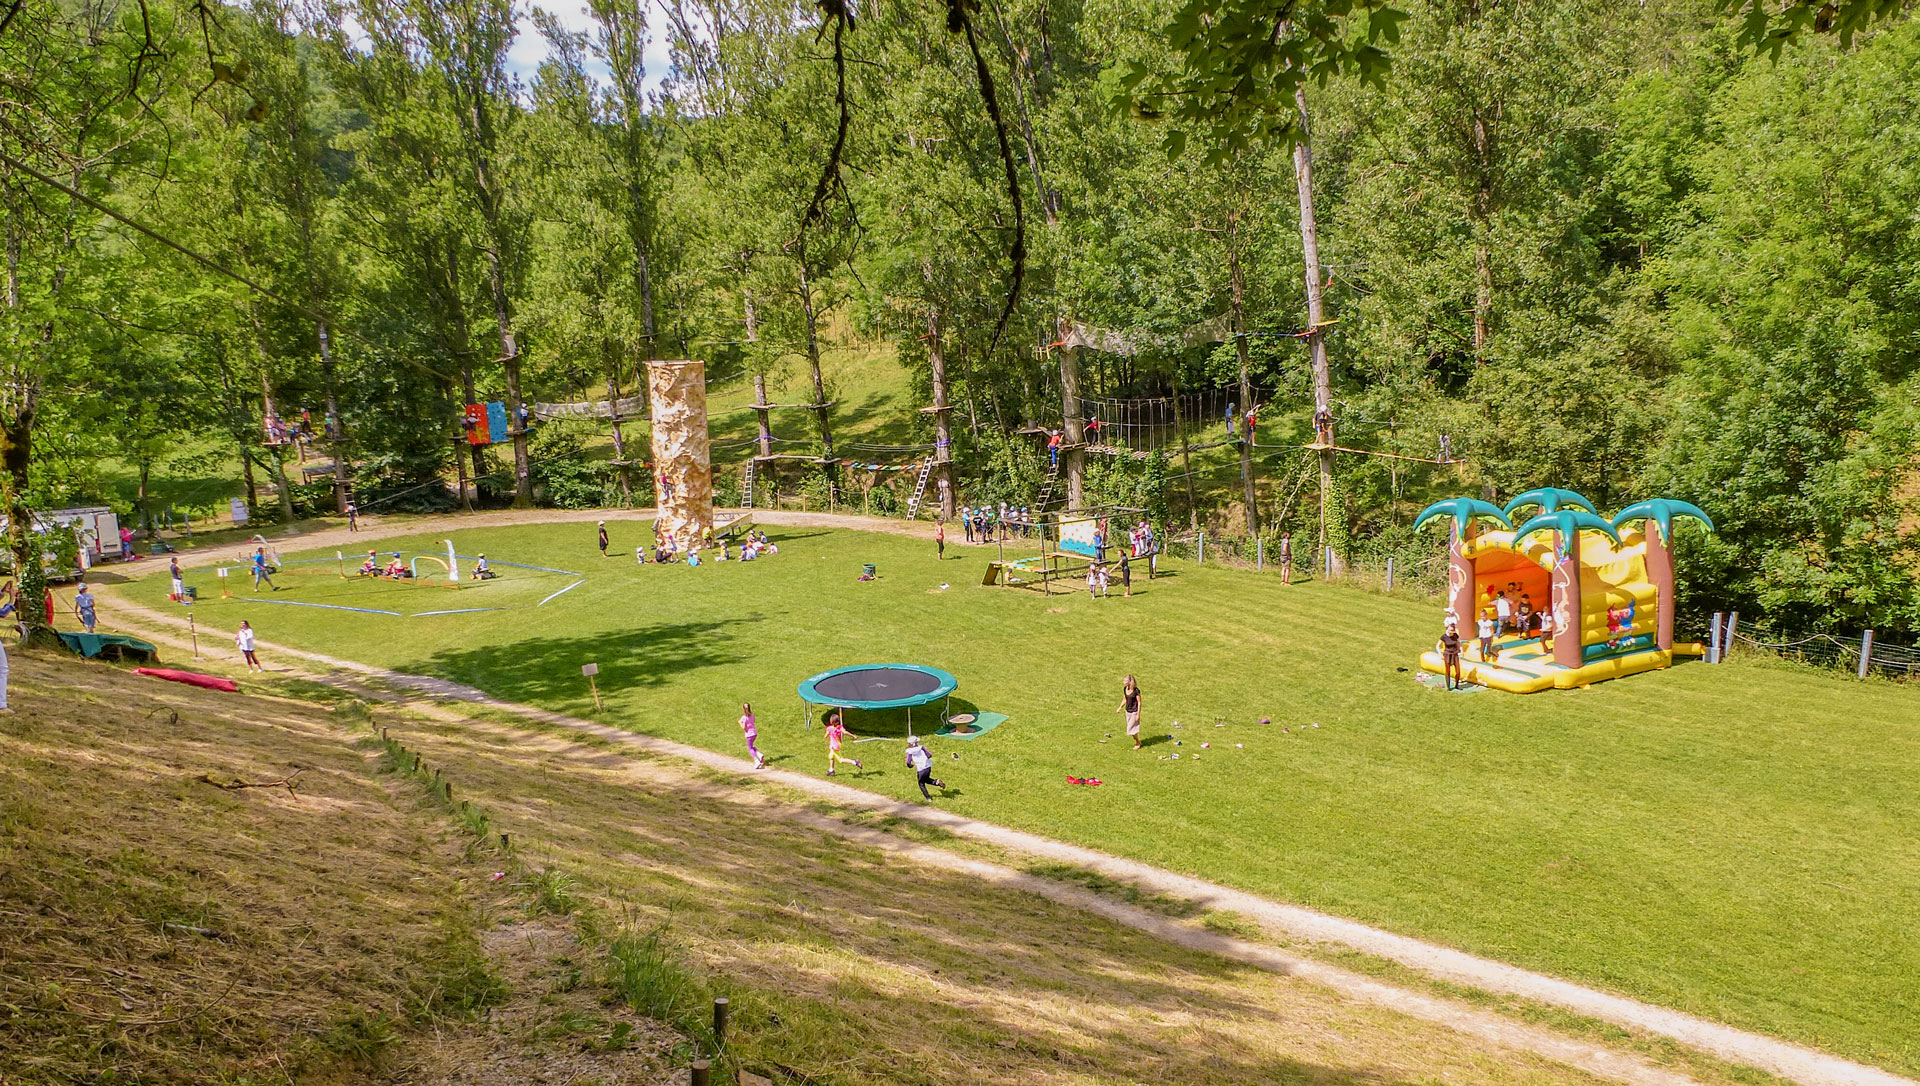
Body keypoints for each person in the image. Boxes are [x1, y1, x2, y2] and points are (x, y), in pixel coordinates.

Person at [905, 735, 945, 799]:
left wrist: (910, 766)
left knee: (921, 783)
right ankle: (937, 782)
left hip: (921, 769)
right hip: (928, 766)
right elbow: (929, 755)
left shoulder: (909, 751)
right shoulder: (921, 748)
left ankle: (928, 797)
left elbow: (908, 762)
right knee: (926, 779)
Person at [824, 710, 862, 775]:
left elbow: (826, 736)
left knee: (841, 760)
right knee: (831, 756)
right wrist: (853, 736)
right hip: (837, 744)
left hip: (834, 746)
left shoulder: (829, 728)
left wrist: (828, 733)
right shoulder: (839, 727)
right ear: (838, 721)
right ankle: (831, 770)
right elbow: (845, 732)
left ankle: (855, 762)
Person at [1118, 675, 1143, 750]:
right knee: (1132, 729)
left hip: (1134, 712)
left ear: (1130, 682)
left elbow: (1139, 702)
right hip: (1128, 711)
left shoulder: (1136, 691)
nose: (1123, 682)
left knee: (1130, 729)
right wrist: (1120, 707)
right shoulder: (1125, 689)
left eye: (1125, 681)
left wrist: (1138, 714)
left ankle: (1138, 743)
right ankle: (1138, 742)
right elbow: (1125, 699)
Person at [740, 702, 765, 769]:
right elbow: (753, 722)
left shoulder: (744, 718)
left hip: (749, 734)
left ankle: (757, 761)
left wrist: (740, 722)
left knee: (750, 748)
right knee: (752, 746)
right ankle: (760, 755)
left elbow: (743, 727)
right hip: (754, 733)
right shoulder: (752, 715)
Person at [1440, 621, 1464, 690]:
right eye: (1450, 630)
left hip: (1455, 653)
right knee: (1448, 670)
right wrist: (1440, 654)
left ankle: (1457, 685)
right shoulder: (1444, 637)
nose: (1451, 632)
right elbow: (1437, 646)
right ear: (1447, 629)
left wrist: (1461, 650)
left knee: (1458, 671)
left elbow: (1459, 643)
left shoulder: (1455, 635)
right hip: (1447, 654)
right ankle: (1448, 686)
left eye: (1452, 631)